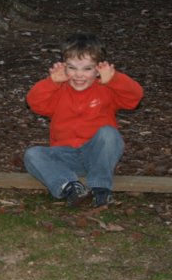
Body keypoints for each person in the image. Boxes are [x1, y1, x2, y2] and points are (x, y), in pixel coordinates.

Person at [23, 33, 143, 208]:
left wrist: (115, 79)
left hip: (97, 155)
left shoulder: (107, 89)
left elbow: (134, 98)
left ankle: (100, 189)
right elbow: (34, 103)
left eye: (87, 69)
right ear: (64, 67)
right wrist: (52, 82)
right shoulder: (57, 90)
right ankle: (71, 187)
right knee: (33, 155)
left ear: (98, 69)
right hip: (66, 156)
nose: (79, 75)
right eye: (72, 68)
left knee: (109, 133)